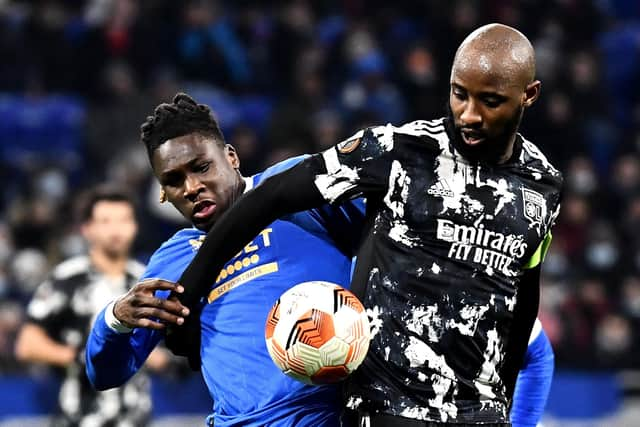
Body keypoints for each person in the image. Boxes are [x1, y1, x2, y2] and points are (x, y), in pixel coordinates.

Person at [167, 23, 563, 426]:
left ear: (528, 95)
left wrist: (505, 405)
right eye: (459, 94)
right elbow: (271, 196)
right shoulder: (398, 152)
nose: (469, 114)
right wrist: (188, 294)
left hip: (479, 414)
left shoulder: (544, 186)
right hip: (387, 409)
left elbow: (523, 294)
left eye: (491, 101)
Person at [85, 93, 366, 427]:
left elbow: (387, 233)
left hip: (339, 412)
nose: (191, 187)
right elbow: (105, 375)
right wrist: (115, 319)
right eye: (173, 181)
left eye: (202, 167)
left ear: (231, 157)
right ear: (162, 192)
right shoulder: (175, 259)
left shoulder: (292, 187)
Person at [15, 186, 169, 427]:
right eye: (105, 221)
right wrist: (82, 356)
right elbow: (27, 344)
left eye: (124, 220)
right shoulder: (67, 278)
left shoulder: (145, 280)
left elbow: (167, 347)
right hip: (81, 418)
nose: (116, 229)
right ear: (86, 229)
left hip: (137, 418)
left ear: (135, 226)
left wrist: (159, 358)